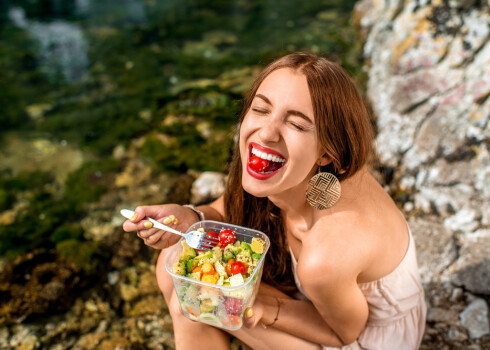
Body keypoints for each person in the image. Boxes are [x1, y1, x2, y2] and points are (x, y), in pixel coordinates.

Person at [122, 52, 427, 349]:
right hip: (325, 303)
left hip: (363, 338)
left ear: (326, 152)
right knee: (177, 263)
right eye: (261, 109)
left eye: (296, 124)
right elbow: (224, 210)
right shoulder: (308, 174)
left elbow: (344, 333)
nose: (266, 132)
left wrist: (263, 308)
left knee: (193, 296)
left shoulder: (328, 250)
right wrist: (192, 218)